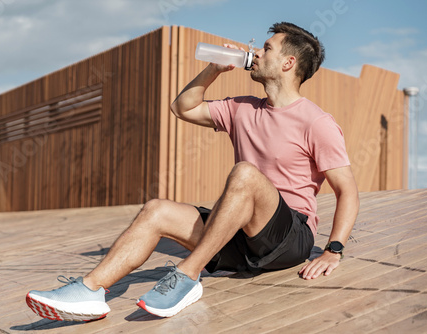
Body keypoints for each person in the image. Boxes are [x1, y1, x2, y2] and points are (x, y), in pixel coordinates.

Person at [25, 22, 359, 322]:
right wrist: (213, 70)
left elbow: (347, 191)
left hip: (290, 237)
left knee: (245, 173)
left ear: (288, 63)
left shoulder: (317, 122)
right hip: (241, 236)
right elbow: (182, 107)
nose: (256, 52)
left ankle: (186, 276)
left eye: (266, 48)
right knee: (157, 210)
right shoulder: (242, 108)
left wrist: (334, 249)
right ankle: (90, 292)